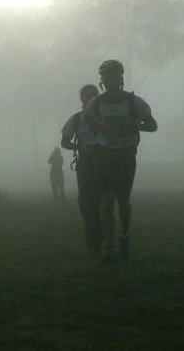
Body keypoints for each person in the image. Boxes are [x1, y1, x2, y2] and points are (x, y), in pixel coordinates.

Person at [79, 60, 157, 264]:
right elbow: (88, 120)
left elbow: (152, 125)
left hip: (125, 156)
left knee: (123, 203)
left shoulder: (134, 102)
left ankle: (123, 237)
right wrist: (101, 128)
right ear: (102, 80)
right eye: (106, 77)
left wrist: (135, 124)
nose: (110, 80)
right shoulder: (96, 103)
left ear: (120, 78)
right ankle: (111, 245)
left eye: (113, 76)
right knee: (106, 201)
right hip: (104, 156)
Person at [60, 83, 114, 252]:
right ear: (82, 100)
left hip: (105, 162)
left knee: (105, 201)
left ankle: (102, 238)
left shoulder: (107, 117)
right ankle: (95, 238)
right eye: (86, 97)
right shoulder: (76, 119)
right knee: (86, 202)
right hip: (86, 163)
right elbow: (65, 141)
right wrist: (79, 148)